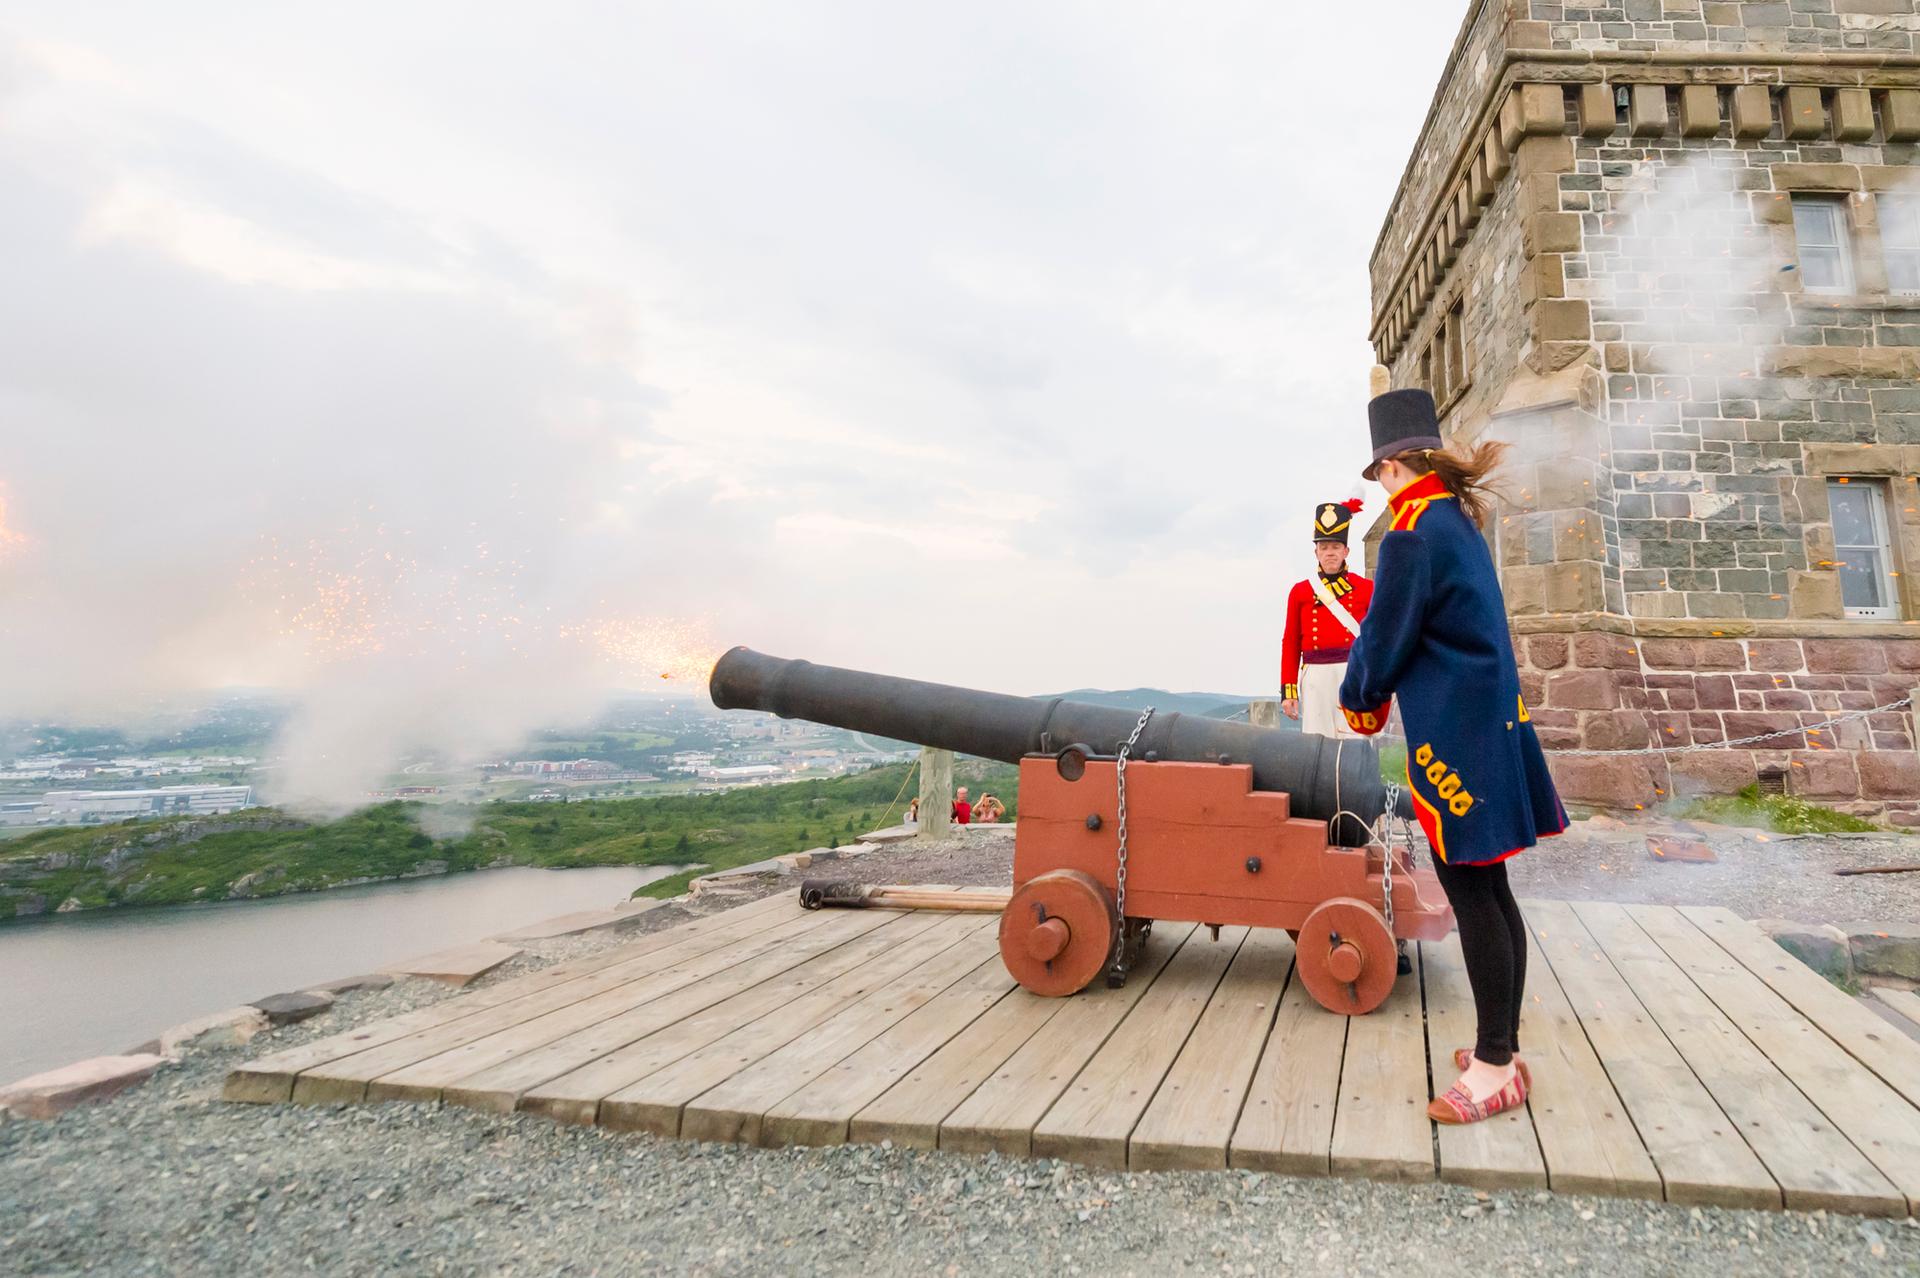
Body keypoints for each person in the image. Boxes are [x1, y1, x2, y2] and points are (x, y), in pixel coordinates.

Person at [1338, 384, 1567, 1127]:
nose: (1378, 488)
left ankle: (1496, 1066)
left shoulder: (1410, 535)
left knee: (1474, 898)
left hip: (1456, 742)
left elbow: (1385, 636)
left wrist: (1360, 700)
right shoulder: (1456, 522)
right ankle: (1502, 1045)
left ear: (1393, 468)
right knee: (1491, 892)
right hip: (1492, 726)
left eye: (1378, 476)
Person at [1280, 499, 1374, 737]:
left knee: (1354, 740)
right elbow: (1290, 642)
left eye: (1335, 546)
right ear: (1316, 552)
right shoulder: (1300, 591)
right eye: (1324, 547)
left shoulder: (1366, 589)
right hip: (1315, 676)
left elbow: (1379, 638)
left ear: (1346, 551)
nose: (1329, 553)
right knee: (1317, 742)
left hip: (1353, 671)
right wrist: (1289, 692)